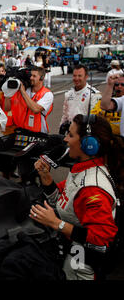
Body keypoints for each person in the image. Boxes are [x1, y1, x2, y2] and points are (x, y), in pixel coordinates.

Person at [31, 114, 124, 280]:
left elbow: (101, 239)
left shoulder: (93, 189)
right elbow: (62, 199)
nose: (65, 139)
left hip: (83, 264)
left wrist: (56, 223)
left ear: (89, 145)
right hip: (72, 252)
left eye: (71, 135)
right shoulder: (84, 169)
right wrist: (45, 176)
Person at [4, 66, 53, 133]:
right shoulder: (24, 90)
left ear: (42, 78)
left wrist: (23, 91)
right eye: (30, 75)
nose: (31, 78)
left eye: (34, 76)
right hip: (21, 132)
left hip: (38, 133)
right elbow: (7, 108)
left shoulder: (47, 94)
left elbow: (36, 109)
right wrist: (7, 93)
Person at [59, 65, 100, 135]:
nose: (76, 78)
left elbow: (95, 118)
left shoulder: (94, 94)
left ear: (86, 77)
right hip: (70, 131)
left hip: (85, 132)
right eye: (74, 76)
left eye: (79, 76)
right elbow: (65, 116)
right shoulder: (68, 94)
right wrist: (60, 130)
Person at [100, 73, 124, 137]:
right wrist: (110, 85)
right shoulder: (122, 100)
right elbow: (105, 105)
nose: (119, 86)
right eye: (116, 84)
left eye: (122, 84)